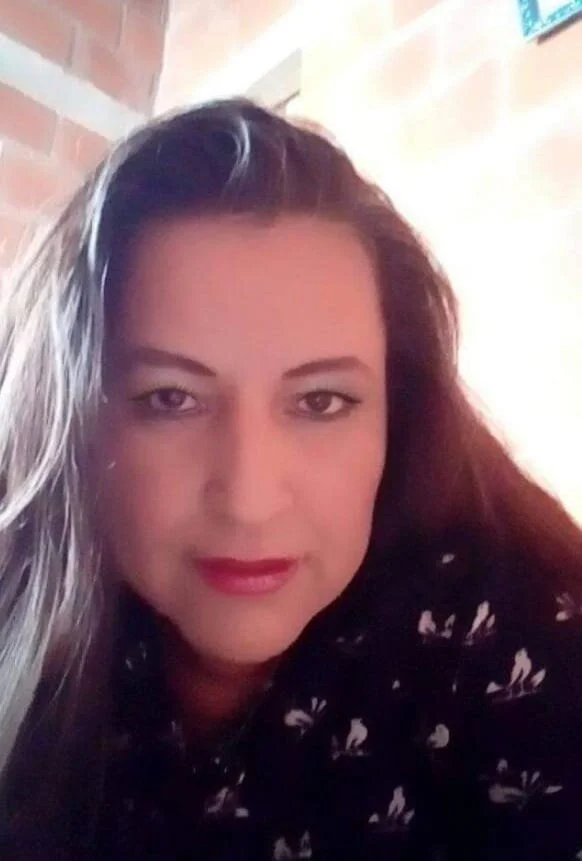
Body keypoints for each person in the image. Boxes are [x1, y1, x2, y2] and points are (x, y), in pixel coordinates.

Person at [0, 98, 581, 861]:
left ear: (398, 413)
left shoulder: (513, 634)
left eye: (321, 401)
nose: (249, 500)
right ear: (73, 418)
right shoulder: (22, 604)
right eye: (170, 398)